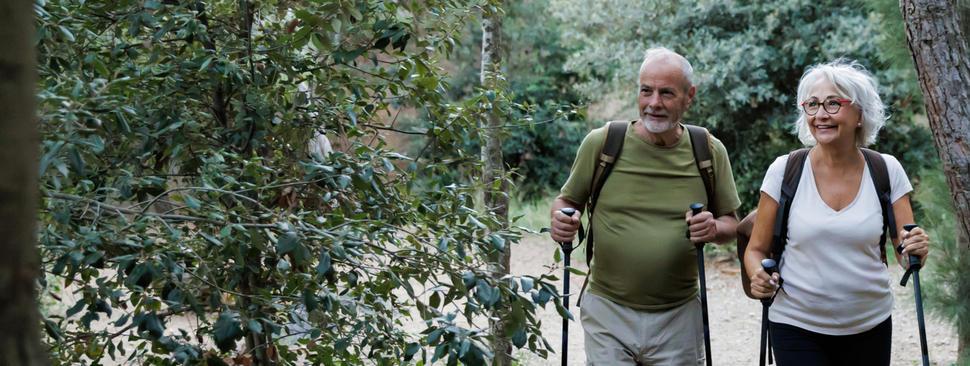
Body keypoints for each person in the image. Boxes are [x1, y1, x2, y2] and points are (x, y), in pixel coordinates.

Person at [549, 47, 741, 365]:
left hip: (679, 315)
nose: (654, 103)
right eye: (646, 91)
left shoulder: (707, 150)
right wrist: (562, 219)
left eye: (666, 93)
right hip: (608, 310)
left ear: (688, 96)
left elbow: (731, 223)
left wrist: (714, 228)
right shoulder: (602, 143)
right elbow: (567, 201)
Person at [743, 59, 931, 366]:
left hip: (870, 324)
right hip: (795, 322)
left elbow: (905, 253)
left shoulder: (887, 169)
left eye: (833, 103)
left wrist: (917, 249)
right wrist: (758, 276)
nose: (820, 114)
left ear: (859, 113)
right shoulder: (784, 170)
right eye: (813, 104)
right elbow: (756, 249)